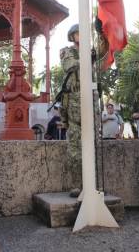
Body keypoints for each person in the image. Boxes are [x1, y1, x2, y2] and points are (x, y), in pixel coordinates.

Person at [60, 24, 82, 197]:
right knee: (75, 149)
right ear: (72, 36)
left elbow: (105, 61)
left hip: (91, 101)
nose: (81, 36)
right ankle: (77, 184)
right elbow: (69, 66)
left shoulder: (93, 52)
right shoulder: (68, 52)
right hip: (74, 104)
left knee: (93, 145)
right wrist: (87, 59)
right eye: (77, 33)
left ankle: (91, 183)